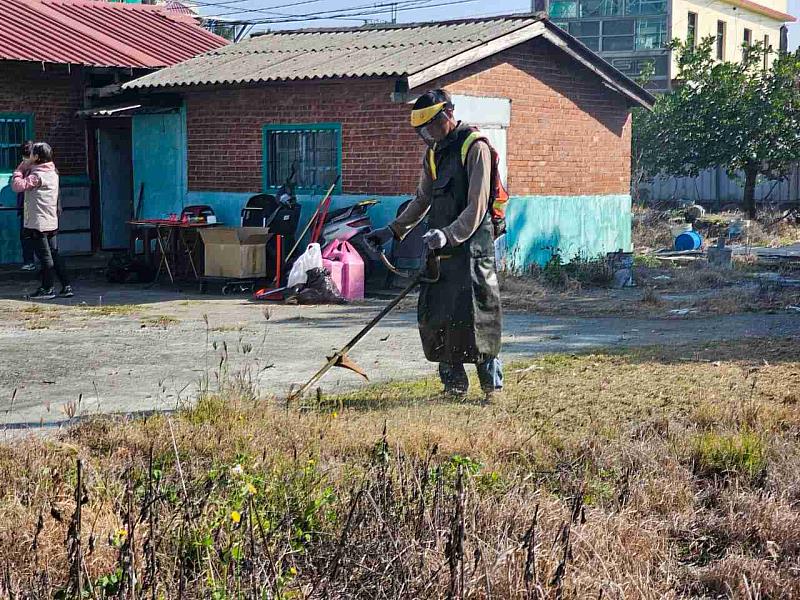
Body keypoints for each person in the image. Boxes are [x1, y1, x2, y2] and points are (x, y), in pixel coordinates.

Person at [367, 89, 503, 404]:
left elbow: (477, 205)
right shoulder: (432, 153)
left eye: (430, 126)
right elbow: (423, 199)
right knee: (438, 316)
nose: (427, 135)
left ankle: (491, 390)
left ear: (446, 116)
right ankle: (454, 386)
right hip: (442, 252)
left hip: (472, 249)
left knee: (478, 317)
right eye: (423, 130)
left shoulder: (475, 147)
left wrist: (447, 235)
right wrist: (391, 231)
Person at [11, 142, 73, 300]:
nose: (29, 157)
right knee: (54, 253)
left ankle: (48, 288)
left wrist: (19, 170)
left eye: (31, 154)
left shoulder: (37, 175)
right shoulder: (53, 171)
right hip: (50, 220)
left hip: (39, 222)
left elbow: (18, 186)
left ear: (37, 157)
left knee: (45, 257)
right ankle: (66, 285)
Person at [15, 141, 37, 271]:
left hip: (33, 205)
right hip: (26, 205)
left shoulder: (36, 169)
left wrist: (18, 172)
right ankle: (29, 260)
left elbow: (20, 185)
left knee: (32, 235)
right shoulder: (25, 167)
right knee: (26, 234)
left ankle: (32, 261)